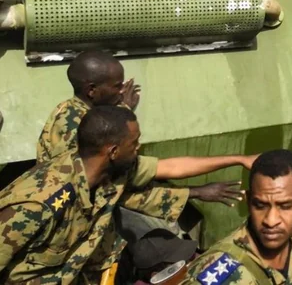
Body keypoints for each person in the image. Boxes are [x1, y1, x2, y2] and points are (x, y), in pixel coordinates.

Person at [0, 106, 256, 284]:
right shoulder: (36, 202)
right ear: (112, 150)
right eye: (134, 143)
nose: (139, 148)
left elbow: (172, 167)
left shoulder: (110, 172)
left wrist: (238, 159)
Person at [182, 150, 292, 284]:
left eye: (285, 206)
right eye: (260, 205)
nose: (271, 220)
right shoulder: (221, 277)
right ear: (249, 200)